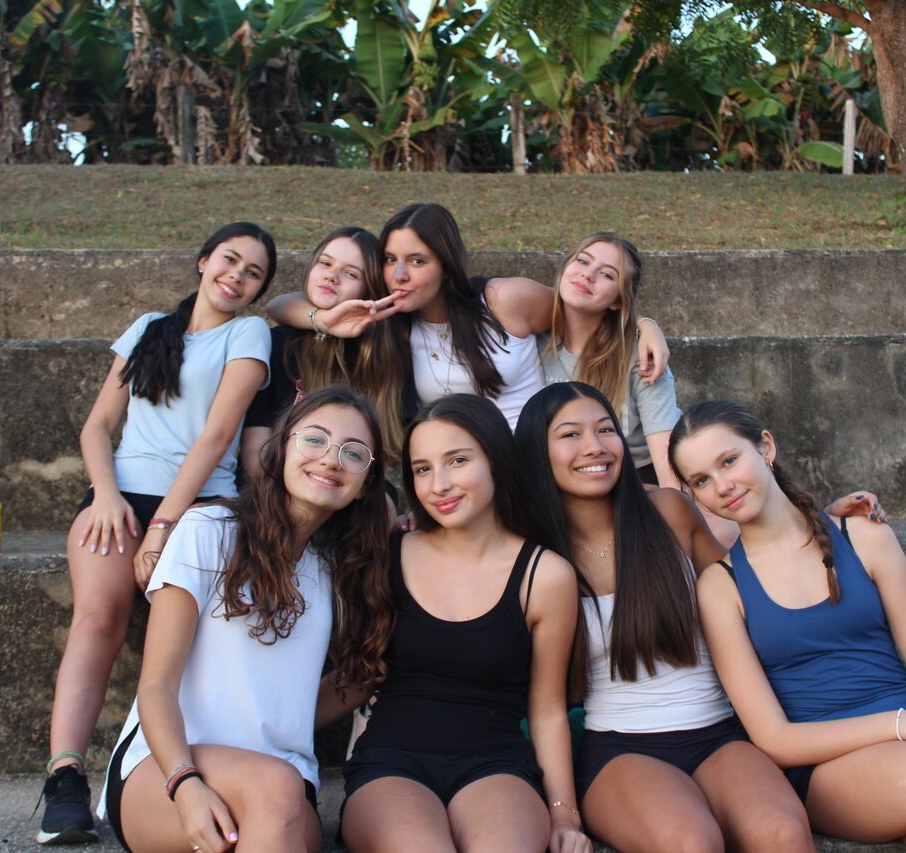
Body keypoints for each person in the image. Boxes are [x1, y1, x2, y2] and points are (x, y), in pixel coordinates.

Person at [669, 400, 906, 852]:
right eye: (701, 480)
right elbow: (774, 739)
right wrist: (905, 726)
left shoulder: (863, 536)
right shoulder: (721, 587)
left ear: (766, 447)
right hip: (829, 766)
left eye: (729, 461)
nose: (723, 485)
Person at [38, 222, 276, 845]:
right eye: (229, 260)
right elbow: (97, 427)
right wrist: (106, 495)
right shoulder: (148, 328)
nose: (237, 276)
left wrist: (163, 524)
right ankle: (64, 780)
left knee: (189, 641)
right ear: (203, 261)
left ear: (258, 290)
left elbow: (217, 436)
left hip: (199, 503)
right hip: (119, 497)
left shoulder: (248, 334)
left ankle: (177, 773)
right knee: (97, 618)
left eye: (253, 273)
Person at [514, 382, 815, 852]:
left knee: (782, 833)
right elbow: (548, 706)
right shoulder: (537, 559)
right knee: (691, 842)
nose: (594, 447)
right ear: (537, 452)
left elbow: (749, 584)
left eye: (606, 429)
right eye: (570, 434)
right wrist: (563, 814)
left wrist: (818, 528)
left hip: (718, 733)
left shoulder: (670, 511)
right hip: (621, 748)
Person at [98, 387, 393, 853]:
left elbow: (350, 680)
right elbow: (156, 685)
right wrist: (186, 784)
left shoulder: (340, 568)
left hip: (284, 786)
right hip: (166, 769)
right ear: (281, 447)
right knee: (275, 791)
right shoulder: (208, 531)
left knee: (278, 795)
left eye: (353, 453)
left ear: (365, 483)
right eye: (314, 439)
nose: (330, 459)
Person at [334, 394, 591, 853]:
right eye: (423, 468)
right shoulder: (389, 554)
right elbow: (357, 678)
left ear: (495, 459)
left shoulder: (546, 575)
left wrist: (564, 815)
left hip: (496, 765)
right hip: (390, 765)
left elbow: (548, 709)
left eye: (457, 460)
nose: (440, 485)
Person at [266, 203, 670, 430]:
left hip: (533, 459)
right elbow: (278, 305)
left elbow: (584, 305)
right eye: (389, 260)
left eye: (417, 261)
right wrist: (324, 320)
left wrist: (644, 325)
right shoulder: (392, 325)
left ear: (446, 266)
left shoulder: (503, 300)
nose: (399, 275)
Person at [240, 227, 407, 470]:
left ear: (369, 289)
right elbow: (255, 451)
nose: (332, 276)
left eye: (351, 274)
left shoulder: (377, 358)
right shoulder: (276, 344)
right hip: (272, 484)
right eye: (325, 263)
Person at [539, 234, 682, 490]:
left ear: (617, 300)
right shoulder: (529, 342)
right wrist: (647, 323)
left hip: (632, 482)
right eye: (582, 261)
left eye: (607, 274)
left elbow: (667, 462)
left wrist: (674, 506)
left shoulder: (641, 355)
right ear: (564, 268)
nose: (588, 275)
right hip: (551, 484)